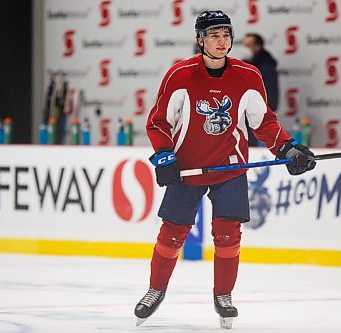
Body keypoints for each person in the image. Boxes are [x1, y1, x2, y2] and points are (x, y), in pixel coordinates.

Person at [134, 10, 316, 329]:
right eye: (214, 35)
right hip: (187, 169)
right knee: (172, 233)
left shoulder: (248, 75)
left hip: (230, 168)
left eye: (226, 35)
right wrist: (164, 155)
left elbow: (264, 123)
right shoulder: (180, 75)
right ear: (200, 39)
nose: (222, 41)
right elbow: (158, 122)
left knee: (228, 235)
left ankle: (223, 296)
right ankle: (155, 289)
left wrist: (288, 147)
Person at [242, 33, 280, 147]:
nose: (245, 48)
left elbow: (272, 96)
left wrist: (264, 109)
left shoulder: (266, 68)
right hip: (245, 113)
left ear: (258, 46)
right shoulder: (245, 66)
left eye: (248, 45)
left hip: (257, 114)